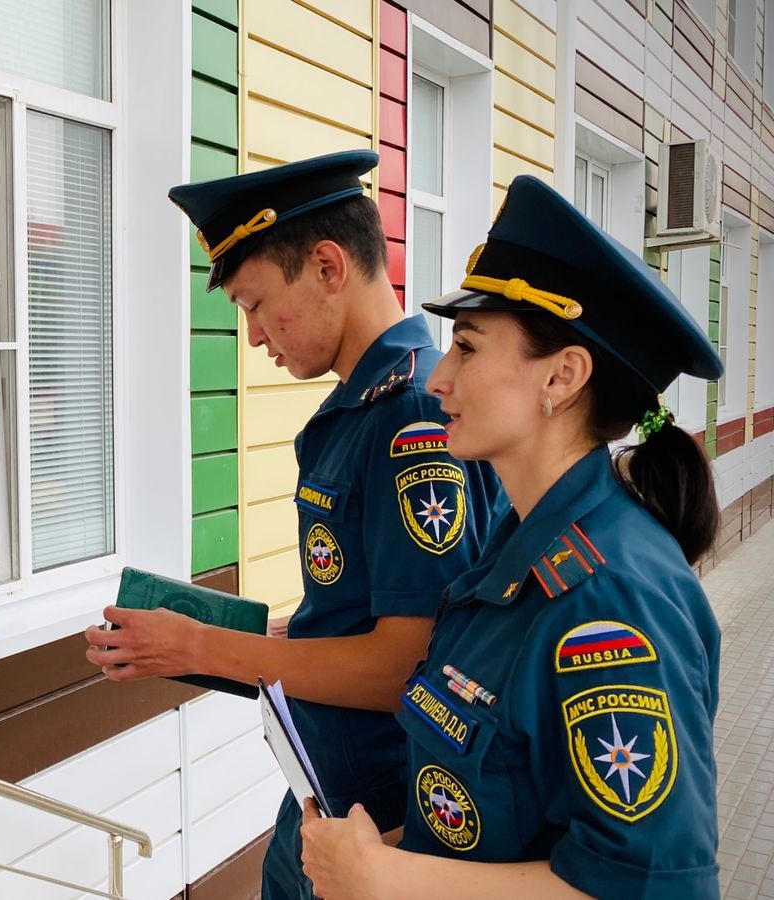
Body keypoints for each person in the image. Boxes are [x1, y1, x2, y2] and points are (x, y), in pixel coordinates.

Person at [84, 150, 504, 899]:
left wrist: (200, 644)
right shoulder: (365, 406)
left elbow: (407, 663)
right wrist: (233, 636)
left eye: (251, 303)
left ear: (328, 266)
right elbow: (362, 614)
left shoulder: (408, 417)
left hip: (382, 817)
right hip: (326, 788)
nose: (250, 335)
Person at [300, 175, 723, 899]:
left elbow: (644, 886)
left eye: (465, 347)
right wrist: (382, 856)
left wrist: (385, 877)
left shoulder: (610, 597)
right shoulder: (512, 542)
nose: (438, 380)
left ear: (562, 376)